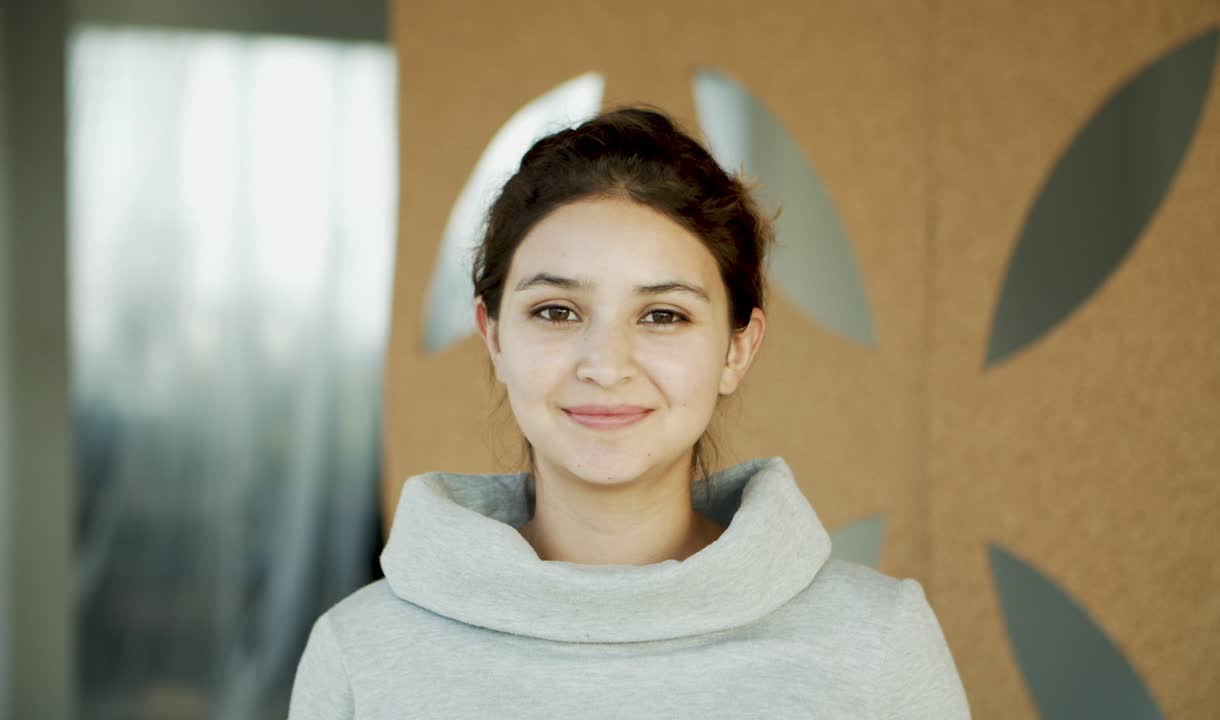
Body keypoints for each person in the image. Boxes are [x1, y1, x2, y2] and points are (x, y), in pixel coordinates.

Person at [288, 107, 971, 718]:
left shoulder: (877, 642)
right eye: (556, 311)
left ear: (738, 348)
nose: (606, 364)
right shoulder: (361, 650)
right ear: (493, 337)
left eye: (663, 315)